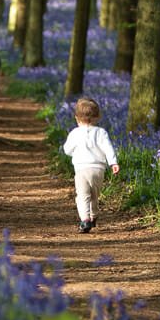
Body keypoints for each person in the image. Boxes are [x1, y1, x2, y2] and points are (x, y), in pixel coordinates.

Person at [62, 97, 119, 234]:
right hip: (98, 169)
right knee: (94, 195)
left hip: (81, 169)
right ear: (97, 117)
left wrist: (75, 152)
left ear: (76, 118)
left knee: (82, 195)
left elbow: (67, 149)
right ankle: (93, 216)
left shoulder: (75, 133)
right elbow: (108, 148)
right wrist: (113, 163)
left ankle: (85, 220)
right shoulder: (101, 132)